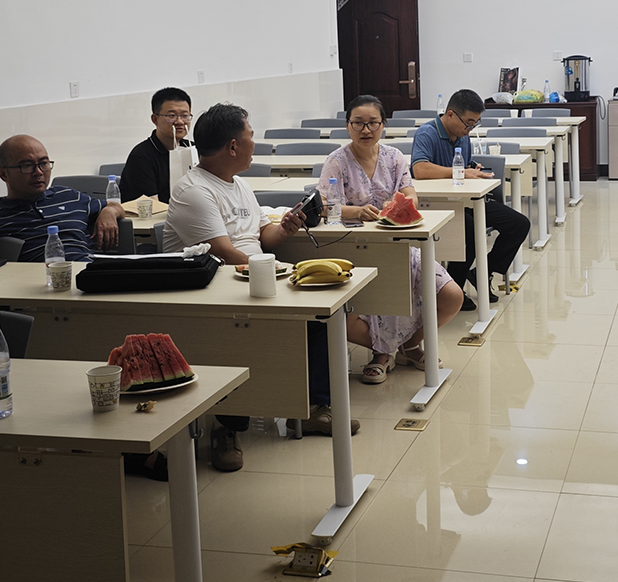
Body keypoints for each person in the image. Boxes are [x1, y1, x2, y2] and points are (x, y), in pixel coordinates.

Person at [163, 102, 357, 472]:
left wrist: (284, 228)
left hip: (253, 276)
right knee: (240, 331)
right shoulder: (194, 191)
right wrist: (273, 274)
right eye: (251, 136)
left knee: (320, 315)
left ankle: (312, 408)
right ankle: (226, 428)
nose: (256, 144)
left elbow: (261, 237)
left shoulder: (238, 184)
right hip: (214, 288)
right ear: (233, 146)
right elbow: (223, 253)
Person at [321, 94, 464, 383]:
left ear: (383, 125)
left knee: (452, 296)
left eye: (373, 123)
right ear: (348, 126)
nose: (365, 130)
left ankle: (408, 345)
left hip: (398, 245)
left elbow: (410, 194)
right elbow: (323, 204)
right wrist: (356, 211)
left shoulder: (394, 157)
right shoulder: (336, 161)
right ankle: (382, 351)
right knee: (337, 314)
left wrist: (398, 205)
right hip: (354, 251)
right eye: (358, 123)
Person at [0, 135, 123, 276]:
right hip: (40, 287)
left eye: (44, 163)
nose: (38, 172)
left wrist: (109, 211)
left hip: (91, 274)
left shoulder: (68, 196)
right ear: (3, 174)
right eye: (26, 166)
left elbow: (117, 207)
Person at [409, 89, 531, 310]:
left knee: (519, 224)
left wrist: (473, 168)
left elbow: (464, 165)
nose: (470, 129)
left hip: (465, 200)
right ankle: (453, 289)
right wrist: (462, 172)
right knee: (470, 231)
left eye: (475, 123)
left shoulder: (463, 137)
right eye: (468, 123)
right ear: (450, 114)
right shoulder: (427, 133)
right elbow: (420, 169)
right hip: (438, 204)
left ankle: (482, 272)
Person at [120, 87, 194, 203]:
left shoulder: (195, 149)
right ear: (155, 119)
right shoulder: (141, 156)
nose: (180, 122)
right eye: (171, 116)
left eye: (185, 116)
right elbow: (151, 205)